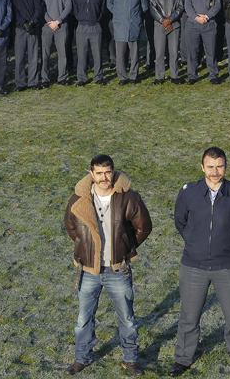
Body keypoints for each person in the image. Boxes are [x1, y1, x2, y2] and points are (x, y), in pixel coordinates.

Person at [170, 147, 230, 378]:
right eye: (211, 167)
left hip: (227, 266)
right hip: (193, 266)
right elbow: (180, 221)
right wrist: (193, 242)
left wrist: (229, 247)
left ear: (225, 167)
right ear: (202, 167)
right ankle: (183, 360)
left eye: (220, 166)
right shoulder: (188, 193)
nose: (215, 171)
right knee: (189, 316)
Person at [64, 155, 152, 377]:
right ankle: (81, 358)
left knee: (127, 319)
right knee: (83, 319)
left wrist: (125, 247)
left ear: (113, 172)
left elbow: (144, 227)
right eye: (99, 173)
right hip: (88, 270)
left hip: (117, 270)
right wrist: (84, 247)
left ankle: (131, 359)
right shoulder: (78, 200)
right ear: (91, 174)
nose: (104, 177)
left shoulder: (128, 198)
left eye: (108, 172)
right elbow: (71, 227)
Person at [107, 0, 148, 85]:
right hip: (120, 24)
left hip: (133, 24)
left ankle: (134, 76)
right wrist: (118, 14)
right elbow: (109, 4)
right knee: (120, 53)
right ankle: (122, 77)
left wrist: (136, 17)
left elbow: (144, 6)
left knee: (134, 53)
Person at [183, 0, 222, 84]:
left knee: (211, 51)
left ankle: (213, 75)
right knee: (192, 52)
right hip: (193, 25)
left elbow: (217, 4)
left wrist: (207, 16)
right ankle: (192, 76)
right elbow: (187, 5)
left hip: (209, 24)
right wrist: (196, 17)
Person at [38, 0, 73, 87]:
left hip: (61, 25)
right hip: (47, 26)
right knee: (45, 53)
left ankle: (62, 77)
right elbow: (41, 6)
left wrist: (58, 21)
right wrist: (50, 21)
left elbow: (68, 6)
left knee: (62, 53)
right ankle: (45, 79)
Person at [10, 0, 45, 91]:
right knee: (19, 57)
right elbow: (14, 11)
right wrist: (23, 23)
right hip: (20, 29)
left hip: (33, 29)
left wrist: (32, 22)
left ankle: (33, 82)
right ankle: (20, 83)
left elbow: (39, 8)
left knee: (33, 56)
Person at [72, 0, 106, 86]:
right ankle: (82, 78)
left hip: (96, 26)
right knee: (81, 54)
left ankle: (98, 77)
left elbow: (103, 9)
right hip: (81, 27)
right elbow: (75, 9)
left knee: (97, 54)